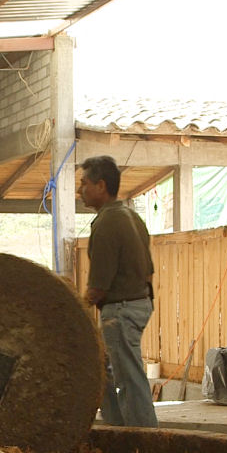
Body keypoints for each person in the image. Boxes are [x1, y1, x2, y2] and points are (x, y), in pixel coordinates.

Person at [78, 155, 158, 428]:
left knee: (129, 378)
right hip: (136, 303)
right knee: (108, 373)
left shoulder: (108, 223)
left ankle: (144, 442)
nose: (80, 191)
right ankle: (117, 432)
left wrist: (76, 308)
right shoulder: (131, 217)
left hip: (121, 309)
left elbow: (99, 285)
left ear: (101, 186)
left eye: (84, 184)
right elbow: (148, 271)